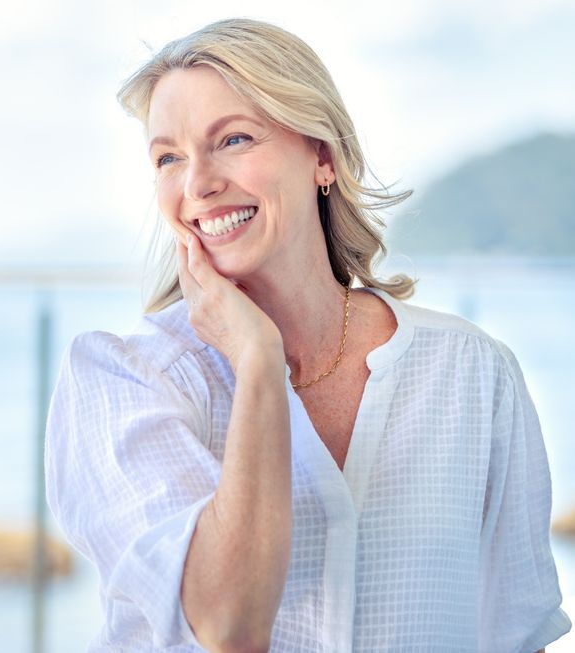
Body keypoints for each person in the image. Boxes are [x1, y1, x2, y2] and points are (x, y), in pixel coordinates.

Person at [43, 18, 570, 653]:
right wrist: (258, 361)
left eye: (234, 139)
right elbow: (228, 624)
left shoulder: (473, 373)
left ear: (323, 156)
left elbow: (516, 636)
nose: (198, 183)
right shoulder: (123, 381)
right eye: (168, 158)